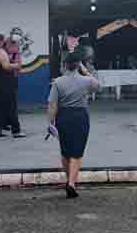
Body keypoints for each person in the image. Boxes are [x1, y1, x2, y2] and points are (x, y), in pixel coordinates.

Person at [48, 51, 100, 199]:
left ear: (65, 65)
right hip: (80, 116)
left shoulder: (58, 82)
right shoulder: (86, 81)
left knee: (65, 151)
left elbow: (52, 105)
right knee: (77, 152)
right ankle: (72, 183)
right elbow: (98, 85)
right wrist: (85, 70)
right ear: (78, 65)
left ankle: (68, 179)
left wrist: (50, 122)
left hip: (63, 117)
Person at [2, 33, 27, 138]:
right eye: (13, 43)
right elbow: (15, 65)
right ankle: (15, 129)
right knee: (11, 104)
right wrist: (16, 65)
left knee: (8, 103)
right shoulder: (4, 52)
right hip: (9, 78)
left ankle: (6, 123)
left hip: (12, 77)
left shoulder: (11, 50)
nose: (15, 46)